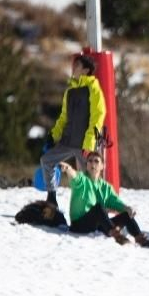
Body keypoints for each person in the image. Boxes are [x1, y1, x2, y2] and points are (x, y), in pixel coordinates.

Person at [40, 54, 105, 206]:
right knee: (46, 161)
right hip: (68, 141)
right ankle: (51, 198)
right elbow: (63, 118)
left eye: (77, 65)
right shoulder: (69, 91)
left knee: (92, 177)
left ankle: (99, 210)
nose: (73, 68)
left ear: (86, 70)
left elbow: (98, 117)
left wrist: (89, 143)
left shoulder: (94, 89)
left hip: (84, 144)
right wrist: (53, 136)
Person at [58, 152, 149, 248]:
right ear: (87, 165)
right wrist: (68, 168)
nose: (92, 163)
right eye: (90, 161)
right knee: (98, 208)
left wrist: (127, 208)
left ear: (102, 166)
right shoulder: (82, 179)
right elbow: (74, 176)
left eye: (96, 161)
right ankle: (117, 236)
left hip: (98, 225)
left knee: (127, 214)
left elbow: (115, 202)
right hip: (79, 225)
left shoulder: (106, 187)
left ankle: (141, 240)